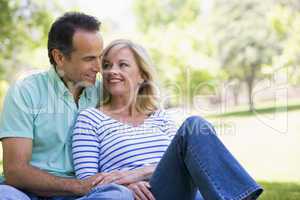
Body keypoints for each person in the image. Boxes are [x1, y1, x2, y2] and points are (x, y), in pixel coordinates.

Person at [72, 39, 263, 200]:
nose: (112, 71)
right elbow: (88, 183)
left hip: (173, 191)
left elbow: (185, 161)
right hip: (128, 196)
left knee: (195, 125)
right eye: (106, 65)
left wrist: (138, 173)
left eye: (123, 65)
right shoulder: (90, 119)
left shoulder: (160, 116)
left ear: (142, 76)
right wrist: (128, 187)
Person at [0, 13, 134, 199]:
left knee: (120, 195)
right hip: (28, 193)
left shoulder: (104, 92)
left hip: (87, 195)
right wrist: (78, 186)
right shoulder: (25, 92)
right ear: (59, 58)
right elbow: (15, 170)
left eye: (99, 57)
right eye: (88, 59)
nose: (98, 67)